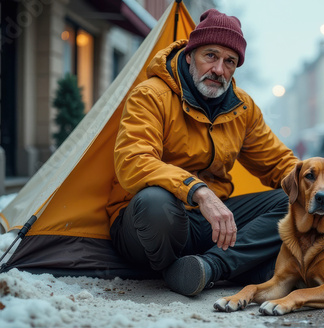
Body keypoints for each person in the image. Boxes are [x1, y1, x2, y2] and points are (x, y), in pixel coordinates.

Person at [106, 9, 298, 297]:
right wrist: (198, 190)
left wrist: (322, 184)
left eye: (229, 61)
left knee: (295, 197)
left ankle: (209, 266)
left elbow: (279, 163)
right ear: (189, 55)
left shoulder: (242, 107)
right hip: (147, 226)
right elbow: (133, 162)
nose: (218, 69)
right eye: (210, 55)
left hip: (209, 225)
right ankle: (189, 268)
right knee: (155, 202)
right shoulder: (150, 95)